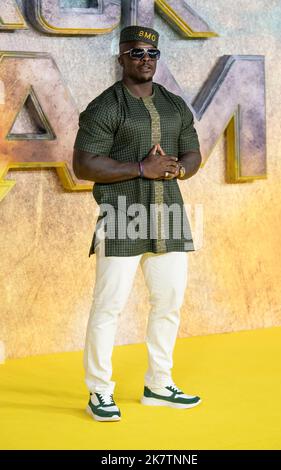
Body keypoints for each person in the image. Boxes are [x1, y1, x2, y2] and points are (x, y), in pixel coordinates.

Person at [73, 25, 202, 422]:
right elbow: (83, 165)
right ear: (121, 58)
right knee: (108, 307)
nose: (145, 59)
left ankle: (158, 384)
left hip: (169, 216)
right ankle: (99, 391)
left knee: (168, 304)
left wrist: (179, 169)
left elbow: (193, 152)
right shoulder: (105, 106)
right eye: (136, 52)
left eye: (151, 53)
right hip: (122, 215)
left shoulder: (175, 104)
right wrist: (142, 168)